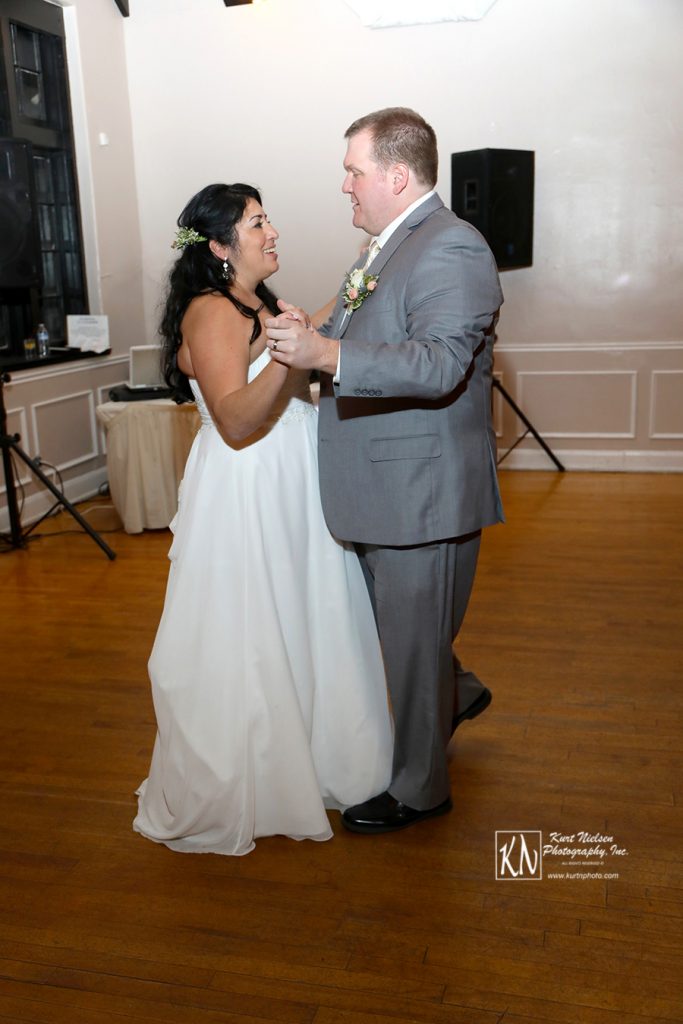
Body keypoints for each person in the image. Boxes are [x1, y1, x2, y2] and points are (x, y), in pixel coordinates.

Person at [133, 183, 393, 856]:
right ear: (219, 247)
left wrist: (355, 286)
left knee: (305, 617)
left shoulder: (259, 301)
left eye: (267, 218)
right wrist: (290, 355)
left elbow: (304, 350)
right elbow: (239, 421)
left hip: (288, 478)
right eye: (256, 223)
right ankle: (260, 774)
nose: (272, 231)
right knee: (255, 627)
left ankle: (315, 754)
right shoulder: (212, 312)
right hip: (251, 484)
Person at [265, 108, 504, 834]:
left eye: (354, 171)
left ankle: (420, 789)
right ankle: (452, 686)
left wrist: (325, 356)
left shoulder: (451, 247)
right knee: (403, 632)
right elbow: (343, 329)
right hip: (381, 485)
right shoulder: (383, 247)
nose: (345, 185)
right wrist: (307, 334)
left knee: (408, 632)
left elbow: (437, 364)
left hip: (418, 491)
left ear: (396, 177)